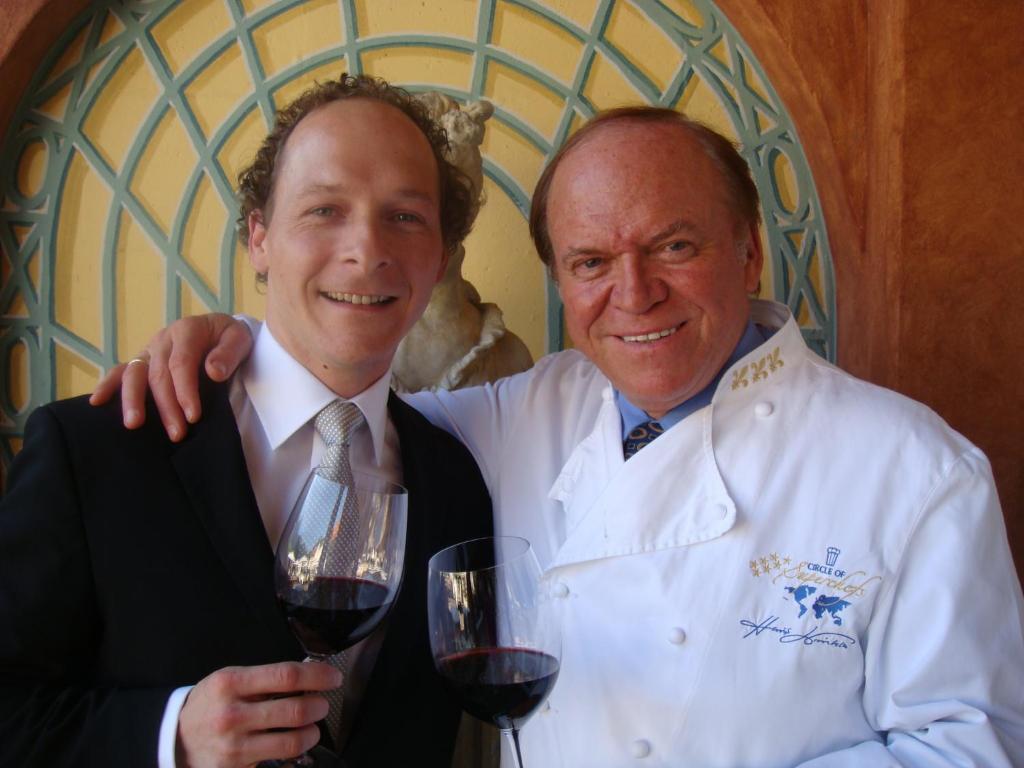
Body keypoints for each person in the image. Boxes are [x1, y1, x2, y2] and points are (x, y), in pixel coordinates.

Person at [93, 107, 1024, 766]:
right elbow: (344, 406)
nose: (634, 293)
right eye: (589, 262)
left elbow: (973, 744)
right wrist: (239, 343)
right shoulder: (522, 412)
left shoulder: (917, 470)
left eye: (675, 245)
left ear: (748, 251)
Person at [0, 74, 492, 767]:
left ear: (440, 257)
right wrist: (168, 737)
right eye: (324, 209)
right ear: (259, 237)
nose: (367, 248)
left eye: (406, 216)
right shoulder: (96, 449)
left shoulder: (457, 479)